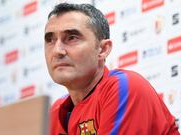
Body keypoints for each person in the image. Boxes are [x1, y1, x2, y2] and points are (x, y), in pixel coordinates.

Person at [44, 3, 180, 135]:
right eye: (50, 40)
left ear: (103, 49)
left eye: (72, 38)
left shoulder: (124, 86)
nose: (57, 50)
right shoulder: (56, 110)